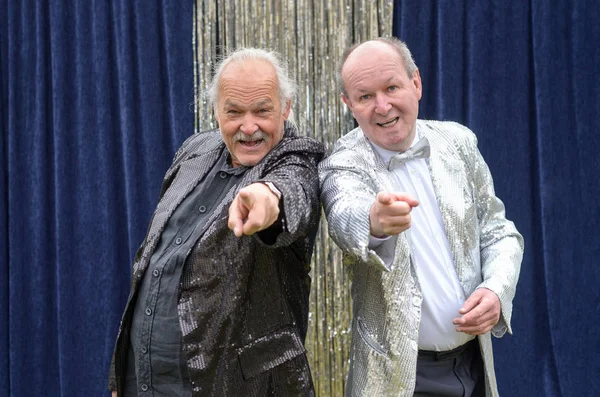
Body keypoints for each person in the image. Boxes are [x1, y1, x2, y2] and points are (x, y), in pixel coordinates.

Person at [108, 48, 324, 397]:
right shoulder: (195, 150)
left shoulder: (296, 158)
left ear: (286, 107)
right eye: (234, 112)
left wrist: (267, 201)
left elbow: (291, 193)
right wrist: (123, 373)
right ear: (215, 111)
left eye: (263, 111)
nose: (248, 126)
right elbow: (153, 258)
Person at [319, 37, 524, 397]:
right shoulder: (341, 164)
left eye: (391, 87)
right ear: (348, 104)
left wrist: (496, 289)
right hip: (399, 379)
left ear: (416, 83)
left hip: (474, 364)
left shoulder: (458, 141)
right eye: (365, 97)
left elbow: (498, 231)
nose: (382, 106)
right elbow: (342, 213)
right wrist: (373, 222)